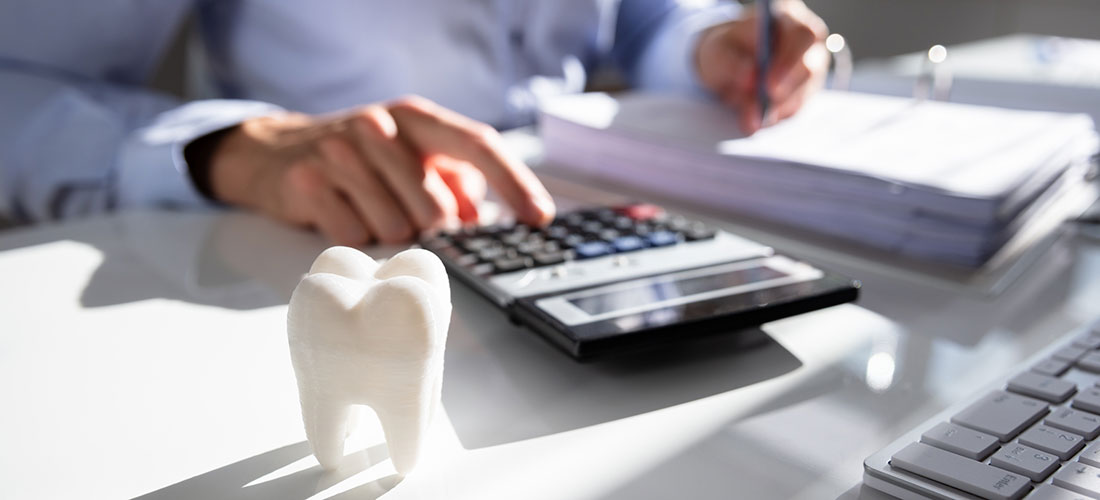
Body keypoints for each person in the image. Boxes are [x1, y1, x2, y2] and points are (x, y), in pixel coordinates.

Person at [0, 0, 828, 245]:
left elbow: (639, 20)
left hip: (583, 217)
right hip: (321, 240)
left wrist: (705, 46)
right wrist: (226, 150)